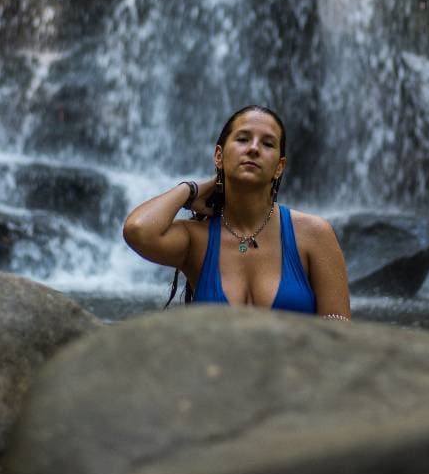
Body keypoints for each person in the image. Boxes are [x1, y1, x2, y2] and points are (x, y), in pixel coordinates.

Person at [122, 105, 351, 318]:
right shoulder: (197, 240)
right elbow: (137, 230)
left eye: (268, 144)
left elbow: (339, 331)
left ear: (279, 167)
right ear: (219, 157)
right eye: (243, 139)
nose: (253, 148)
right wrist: (190, 190)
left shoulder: (313, 234)